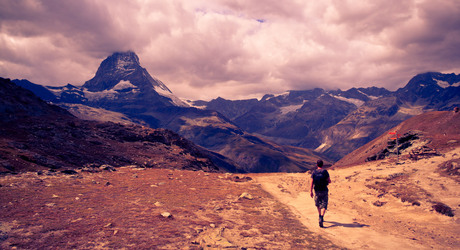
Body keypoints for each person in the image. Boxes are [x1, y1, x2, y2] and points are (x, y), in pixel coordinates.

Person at [310, 159, 331, 228]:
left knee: (318, 203)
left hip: (317, 190)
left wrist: (311, 191)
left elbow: (311, 182)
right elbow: (329, 181)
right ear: (322, 165)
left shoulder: (314, 172)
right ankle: (322, 217)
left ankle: (319, 215)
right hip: (324, 190)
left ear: (317, 165)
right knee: (324, 204)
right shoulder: (325, 172)